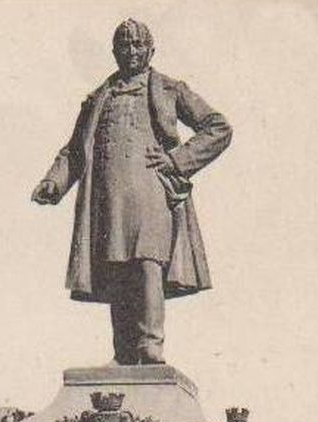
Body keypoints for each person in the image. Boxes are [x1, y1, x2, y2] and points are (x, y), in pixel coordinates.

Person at [31, 18, 231, 365]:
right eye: (125, 45)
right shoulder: (98, 97)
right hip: (107, 196)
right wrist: (54, 181)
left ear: (151, 51)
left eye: (139, 45)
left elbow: (218, 127)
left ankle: (150, 345)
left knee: (146, 264)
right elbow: (74, 151)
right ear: (114, 52)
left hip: (151, 191)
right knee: (116, 268)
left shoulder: (170, 88)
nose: (132, 51)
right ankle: (124, 353)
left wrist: (177, 159)